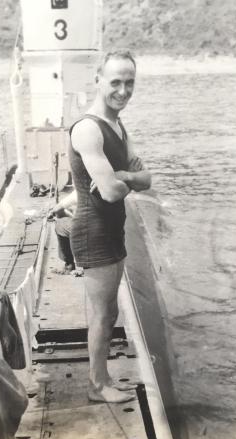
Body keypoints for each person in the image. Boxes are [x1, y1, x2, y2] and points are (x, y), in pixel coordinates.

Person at [69, 50, 152, 403]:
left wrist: (124, 175)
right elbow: (110, 191)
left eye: (129, 82)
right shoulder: (89, 129)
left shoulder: (118, 125)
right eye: (115, 81)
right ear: (98, 79)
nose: (123, 89)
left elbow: (144, 179)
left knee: (111, 312)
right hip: (93, 231)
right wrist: (121, 180)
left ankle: (102, 378)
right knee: (103, 314)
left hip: (111, 229)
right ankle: (97, 385)